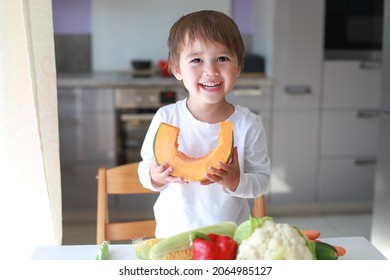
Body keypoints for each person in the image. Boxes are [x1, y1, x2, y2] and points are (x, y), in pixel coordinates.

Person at [138, 10, 271, 238]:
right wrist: (154, 177)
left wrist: (236, 181)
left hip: (229, 239)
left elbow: (262, 181)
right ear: (176, 69)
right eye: (197, 60)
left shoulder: (248, 125)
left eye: (222, 58)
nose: (211, 70)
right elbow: (145, 167)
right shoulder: (166, 118)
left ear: (238, 67)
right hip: (173, 235)